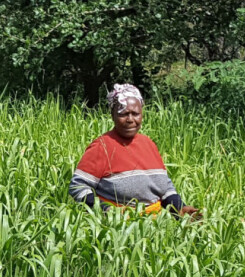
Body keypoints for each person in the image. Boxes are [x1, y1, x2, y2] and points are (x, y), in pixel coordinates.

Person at [69, 84, 200, 219]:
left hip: (157, 223)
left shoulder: (148, 144)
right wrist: (106, 210)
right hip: (118, 226)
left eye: (135, 114)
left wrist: (180, 207)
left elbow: (165, 189)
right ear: (112, 115)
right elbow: (77, 187)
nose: (130, 120)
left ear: (142, 115)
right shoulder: (102, 146)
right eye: (123, 114)